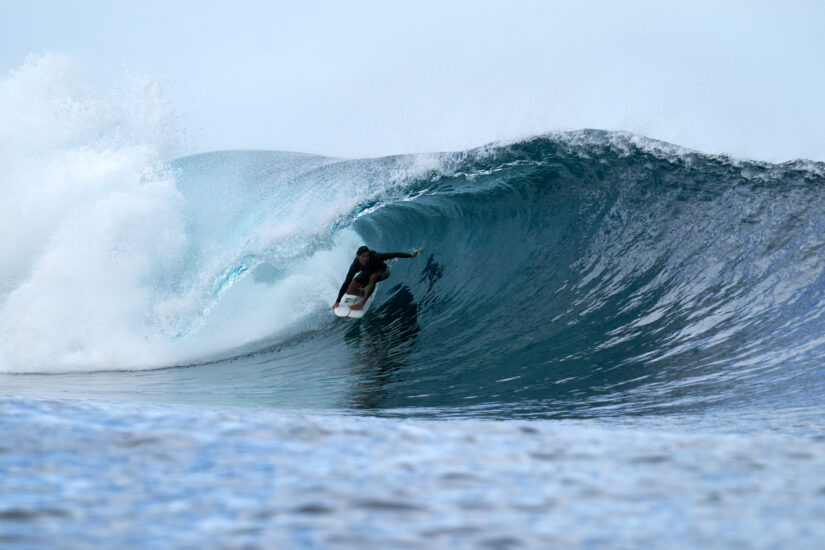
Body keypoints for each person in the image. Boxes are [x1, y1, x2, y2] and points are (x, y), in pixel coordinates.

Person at [334, 246, 423, 311]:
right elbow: (346, 282)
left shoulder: (376, 256)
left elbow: (394, 254)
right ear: (358, 256)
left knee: (373, 277)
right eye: (363, 256)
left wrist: (411, 256)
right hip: (367, 272)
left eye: (367, 256)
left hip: (383, 271)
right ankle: (364, 293)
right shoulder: (355, 265)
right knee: (349, 288)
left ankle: (362, 304)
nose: (366, 259)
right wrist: (337, 301)